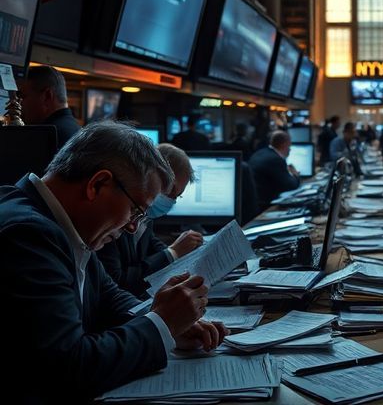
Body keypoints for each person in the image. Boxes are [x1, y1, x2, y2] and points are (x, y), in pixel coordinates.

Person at [0, 122, 228, 400]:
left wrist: (169, 323)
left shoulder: (58, 224)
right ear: (97, 184)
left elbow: (110, 297)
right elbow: (70, 366)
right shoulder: (28, 234)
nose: (133, 227)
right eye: (135, 210)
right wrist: (161, 325)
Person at [98, 144, 203, 298]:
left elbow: (154, 247)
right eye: (170, 191)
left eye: (177, 195)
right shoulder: (113, 216)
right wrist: (173, 252)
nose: (171, 200)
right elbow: (119, 282)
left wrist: (183, 253)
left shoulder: (146, 215)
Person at [18, 65, 81, 149]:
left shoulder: (44, 136)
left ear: (47, 96)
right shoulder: (79, 130)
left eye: (23, 96)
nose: (19, 103)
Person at [248, 130, 301, 207]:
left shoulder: (260, 152)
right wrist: (295, 174)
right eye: (289, 146)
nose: (290, 150)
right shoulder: (276, 160)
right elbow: (291, 186)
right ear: (284, 144)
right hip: (265, 204)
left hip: (254, 201)